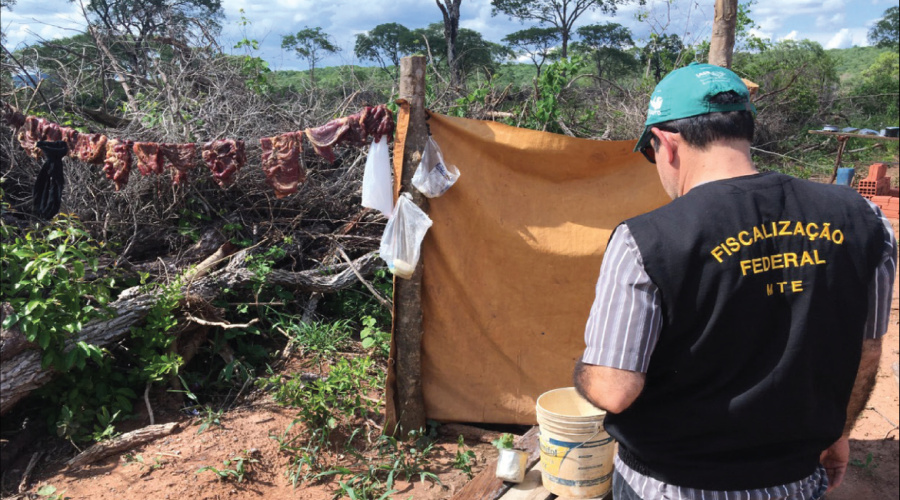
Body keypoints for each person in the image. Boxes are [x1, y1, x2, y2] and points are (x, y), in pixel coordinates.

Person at [573, 62, 897, 500]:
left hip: (673, 485)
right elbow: (868, 348)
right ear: (744, 130)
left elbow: (615, 390)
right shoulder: (864, 218)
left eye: (650, 153)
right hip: (797, 479)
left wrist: (584, 373)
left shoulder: (645, 240)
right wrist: (838, 431)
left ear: (666, 144)